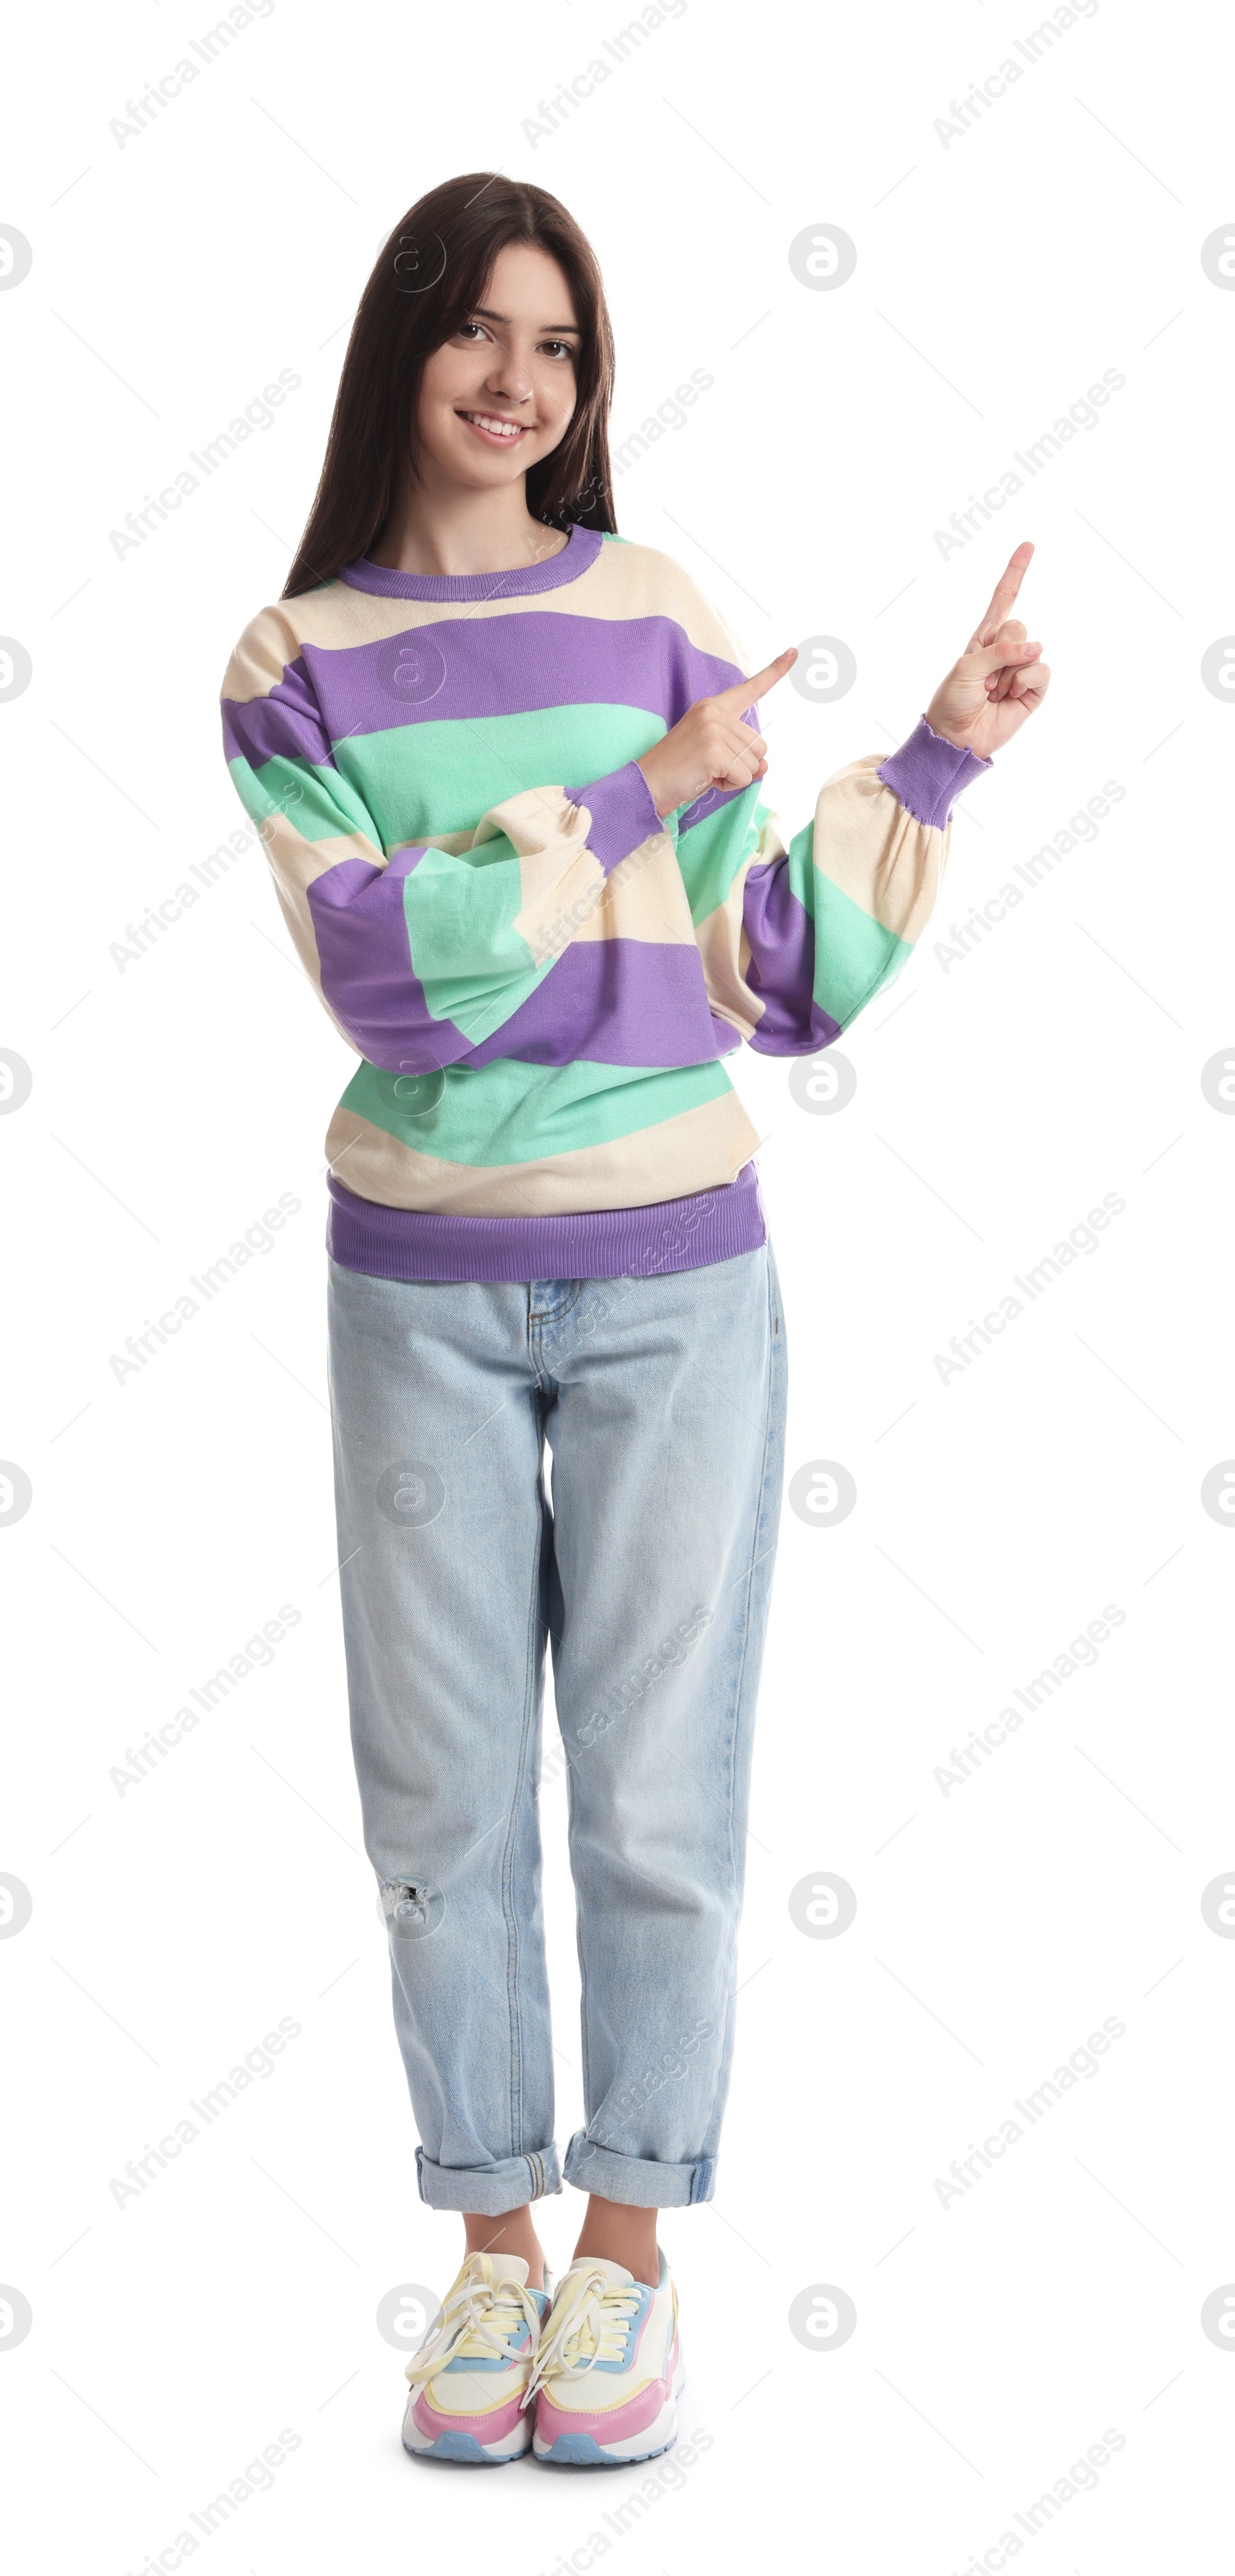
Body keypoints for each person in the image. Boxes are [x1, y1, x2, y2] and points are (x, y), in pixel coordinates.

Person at [219, 171, 1049, 2468]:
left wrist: (942, 755)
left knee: (661, 1797)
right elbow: (390, 970)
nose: (519, 380)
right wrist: (629, 794)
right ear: (403, 346)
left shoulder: (658, 611)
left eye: (561, 346)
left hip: (681, 1270)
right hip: (422, 1285)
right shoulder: (289, 666)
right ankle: (484, 2259)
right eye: (479, 333)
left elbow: (761, 979)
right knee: (441, 1792)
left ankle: (626, 2260)